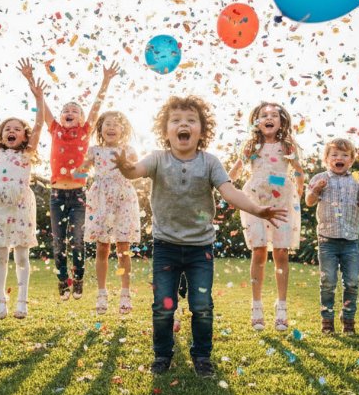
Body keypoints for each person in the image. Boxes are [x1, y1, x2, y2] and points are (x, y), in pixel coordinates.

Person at [113, 96, 288, 378]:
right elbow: (135, 171)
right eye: (176, 120)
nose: (184, 124)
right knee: (162, 305)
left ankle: (202, 356)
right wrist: (124, 165)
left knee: (202, 305)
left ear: (201, 130)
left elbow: (229, 191)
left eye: (191, 120)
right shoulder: (158, 158)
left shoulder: (210, 162)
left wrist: (257, 209)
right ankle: (162, 354)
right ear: (166, 130)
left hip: (200, 249)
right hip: (166, 246)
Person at [17, 58, 120, 301]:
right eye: (66, 110)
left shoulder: (84, 131)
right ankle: (63, 280)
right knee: (58, 243)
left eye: (75, 110)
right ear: (61, 117)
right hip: (56, 195)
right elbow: (43, 109)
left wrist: (105, 80)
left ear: (82, 119)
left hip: (78, 194)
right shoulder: (56, 130)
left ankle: (79, 278)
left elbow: (96, 107)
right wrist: (33, 83)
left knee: (77, 242)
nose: (70, 112)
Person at [228, 102, 304, 332]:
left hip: (282, 201)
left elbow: (299, 172)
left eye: (274, 115)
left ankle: (281, 308)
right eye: (263, 115)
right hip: (254, 201)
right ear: (256, 121)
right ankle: (257, 306)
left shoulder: (288, 145)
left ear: (281, 122)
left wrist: (297, 194)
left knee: (281, 252)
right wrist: (225, 187)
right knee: (259, 250)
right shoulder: (251, 145)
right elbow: (235, 171)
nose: (268, 118)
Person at [0, 77, 45, 320]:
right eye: (8, 128)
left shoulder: (27, 154)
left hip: (22, 206)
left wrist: (38, 97)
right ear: (2, 135)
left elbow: (39, 124)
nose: (12, 131)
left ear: (24, 136)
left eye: (17, 128)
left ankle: (22, 302)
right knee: (0, 255)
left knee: (23, 256)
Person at [305, 138, 359, 334]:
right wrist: (316, 190)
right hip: (327, 240)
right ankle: (327, 320)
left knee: (352, 281)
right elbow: (309, 201)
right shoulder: (320, 178)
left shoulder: (355, 179)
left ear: (351, 160)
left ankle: (348, 319)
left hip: (350, 241)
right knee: (328, 281)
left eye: (345, 155)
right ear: (327, 159)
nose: (340, 158)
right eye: (335, 155)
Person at [79, 110, 141, 315]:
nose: (111, 127)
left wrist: (128, 164)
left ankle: (125, 292)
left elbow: (134, 173)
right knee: (102, 247)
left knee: (123, 248)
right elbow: (81, 172)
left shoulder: (129, 150)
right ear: (100, 129)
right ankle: (102, 293)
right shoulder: (94, 150)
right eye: (107, 124)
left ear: (123, 130)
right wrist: (79, 166)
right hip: (101, 199)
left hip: (123, 199)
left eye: (116, 124)